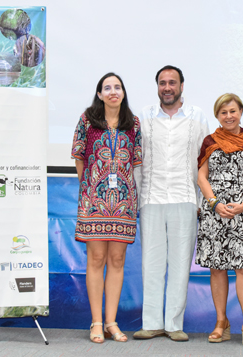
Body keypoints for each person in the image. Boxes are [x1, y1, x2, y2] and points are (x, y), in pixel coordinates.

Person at [133, 65, 209, 342]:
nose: (167, 87)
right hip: (151, 198)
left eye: (172, 83)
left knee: (179, 264)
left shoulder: (197, 116)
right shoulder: (143, 116)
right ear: (157, 86)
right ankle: (151, 323)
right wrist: (139, 196)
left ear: (181, 86)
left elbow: (204, 161)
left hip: (185, 197)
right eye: (163, 83)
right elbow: (136, 159)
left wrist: (201, 199)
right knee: (151, 264)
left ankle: (174, 325)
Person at [71, 73, 142, 344]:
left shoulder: (133, 123)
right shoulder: (87, 119)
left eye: (118, 87)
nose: (113, 91)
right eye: (107, 88)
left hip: (123, 203)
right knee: (96, 260)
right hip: (94, 203)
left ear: (123, 92)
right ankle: (97, 322)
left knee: (117, 261)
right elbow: (79, 157)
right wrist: (91, 187)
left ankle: (112, 322)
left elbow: (135, 162)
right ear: (99, 94)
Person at [196, 93, 243, 349]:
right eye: (223, 112)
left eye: (233, 111)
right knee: (217, 268)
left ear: (241, 112)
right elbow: (202, 176)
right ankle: (221, 322)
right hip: (215, 211)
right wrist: (214, 203)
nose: (229, 116)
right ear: (217, 115)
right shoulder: (210, 141)